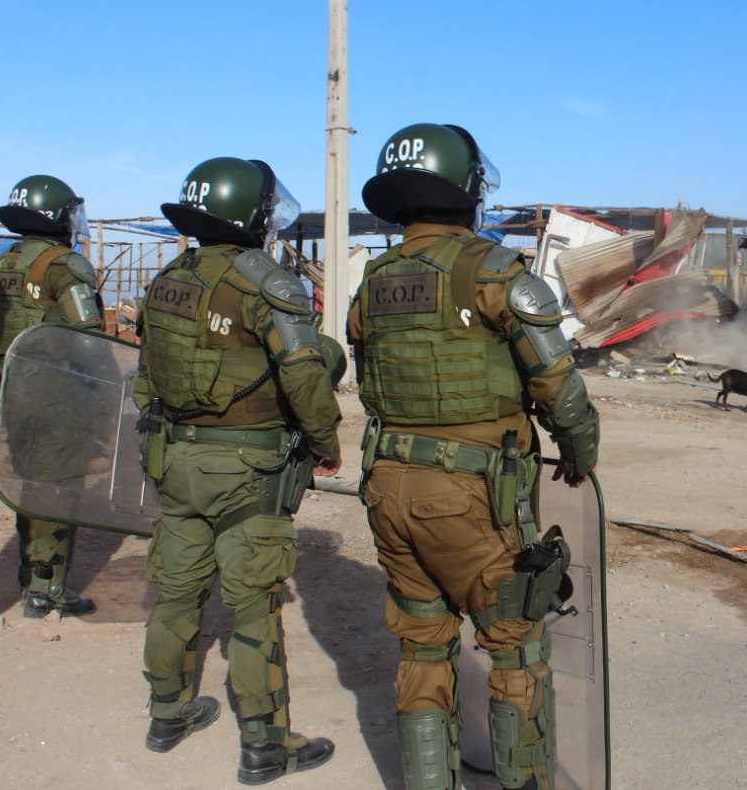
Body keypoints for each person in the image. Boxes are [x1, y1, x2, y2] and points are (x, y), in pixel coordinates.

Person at [351, 123, 600, 790]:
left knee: (423, 646)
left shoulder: (372, 280)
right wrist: (579, 453)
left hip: (387, 487)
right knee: (516, 644)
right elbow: (560, 390)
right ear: (465, 191)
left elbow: (368, 372)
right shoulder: (496, 273)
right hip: (470, 497)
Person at [133, 157, 342, 784]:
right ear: (253, 214)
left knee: (175, 594)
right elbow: (305, 372)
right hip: (246, 467)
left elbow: (145, 374)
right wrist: (327, 441)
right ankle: (266, 747)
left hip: (175, 459)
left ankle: (166, 713)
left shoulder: (168, 277)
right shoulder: (269, 283)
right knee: (254, 607)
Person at [0, 176, 101, 618]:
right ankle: (47, 589)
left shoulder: (1, 265)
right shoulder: (65, 266)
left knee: (29, 486)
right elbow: (90, 343)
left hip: (11, 394)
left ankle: (29, 577)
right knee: (59, 489)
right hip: (58, 399)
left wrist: (0, 384)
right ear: (58, 217)